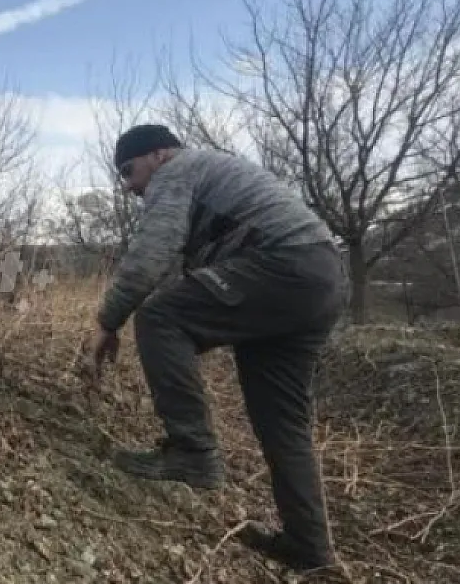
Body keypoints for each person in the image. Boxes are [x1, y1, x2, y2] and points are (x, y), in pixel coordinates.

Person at [88, 124, 346, 573]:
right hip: (321, 278)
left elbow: (152, 252)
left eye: (129, 171)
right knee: (282, 422)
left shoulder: (179, 170)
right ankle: (312, 549)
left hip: (283, 264)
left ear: (160, 154)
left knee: (159, 316)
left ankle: (192, 452)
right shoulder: (214, 179)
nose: (129, 187)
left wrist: (108, 321)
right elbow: (187, 275)